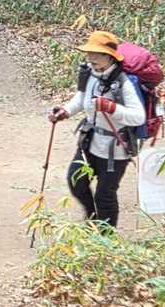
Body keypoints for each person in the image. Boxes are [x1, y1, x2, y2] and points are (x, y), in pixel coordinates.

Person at [47, 29, 146, 230]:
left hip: (115, 148)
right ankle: (92, 218)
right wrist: (65, 111)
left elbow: (138, 116)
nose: (91, 57)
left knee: (105, 195)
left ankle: (106, 237)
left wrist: (111, 108)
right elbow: (82, 98)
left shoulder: (123, 82)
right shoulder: (90, 74)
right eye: (89, 52)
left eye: (97, 53)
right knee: (76, 180)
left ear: (110, 57)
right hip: (90, 140)